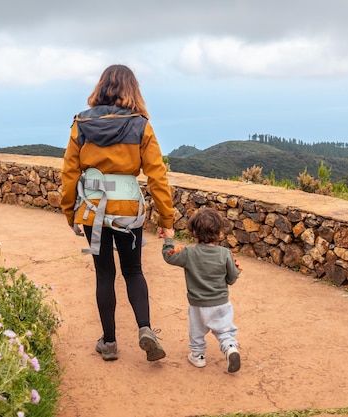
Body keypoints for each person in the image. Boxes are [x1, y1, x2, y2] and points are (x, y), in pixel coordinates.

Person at [60, 64, 174, 362]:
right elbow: (157, 176)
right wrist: (167, 220)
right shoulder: (141, 125)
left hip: (92, 209)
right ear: (131, 89)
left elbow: (69, 172)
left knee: (104, 273)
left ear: (101, 87)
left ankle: (109, 343)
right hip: (127, 210)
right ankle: (145, 328)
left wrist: (70, 212)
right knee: (133, 270)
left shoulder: (81, 123)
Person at [161, 207, 242, 372]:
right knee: (224, 330)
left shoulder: (189, 253)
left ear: (194, 233)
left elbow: (168, 256)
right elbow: (232, 278)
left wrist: (168, 240)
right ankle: (230, 347)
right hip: (221, 303)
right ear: (219, 232)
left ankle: (198, 356)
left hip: (198, 304)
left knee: (196, 331)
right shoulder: (225, 254)